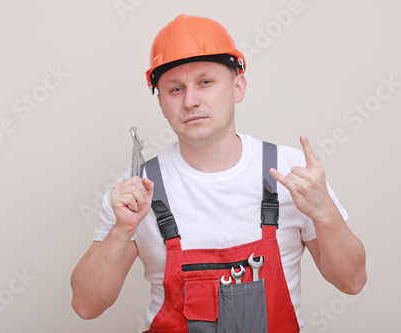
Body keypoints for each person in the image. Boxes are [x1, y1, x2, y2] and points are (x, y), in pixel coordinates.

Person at [71, 14, 366, 332]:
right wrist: (121, 231)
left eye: (205, 82)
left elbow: (352, 281)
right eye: (175, 89)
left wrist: (325, 214)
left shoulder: (291, 173)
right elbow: (86, 306)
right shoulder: (136, 193)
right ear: (161, 104)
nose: (190, 101)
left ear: (238, 87)